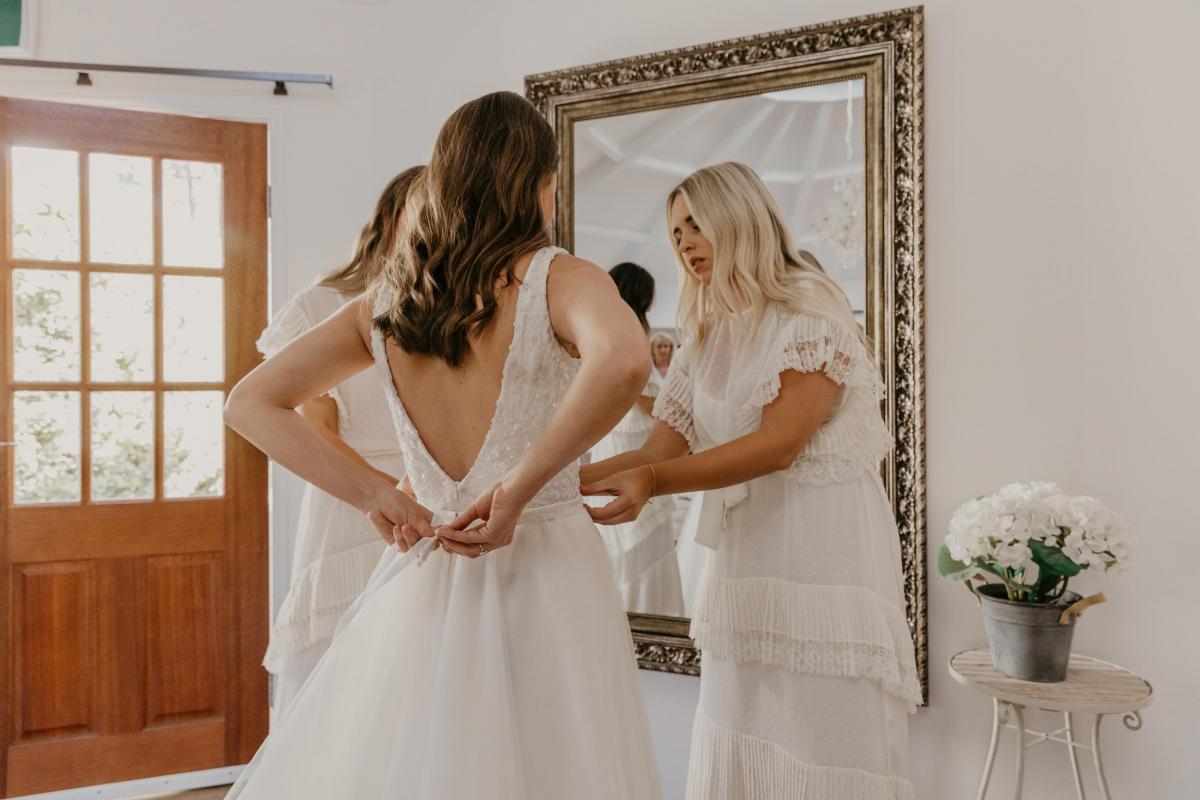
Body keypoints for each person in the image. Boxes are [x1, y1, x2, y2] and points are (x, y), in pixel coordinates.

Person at [223, 91, 661, 799]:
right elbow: (626, 362)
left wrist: (381, 495)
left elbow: (250, 403)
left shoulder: (388, 302)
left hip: (425, 571)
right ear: (542, 183)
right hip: (545, 568)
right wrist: (518, 490)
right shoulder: (559, 278)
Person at [582, 162, 919, 799]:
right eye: (674, 229)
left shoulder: (808, 303)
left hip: (821, 546)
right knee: (743, 716)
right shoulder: (706, 330)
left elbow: (779, 444)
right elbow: (663, 442)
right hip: (749, 547)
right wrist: (567, 478)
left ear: (739, 216)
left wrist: (651, 481)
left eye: (695, 223)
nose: (682, 240)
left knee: (822, 727)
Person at [255, 166, 422, 716]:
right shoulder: (322, 307)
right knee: (336, 682)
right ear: (392, 217)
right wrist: (385, 494)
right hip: (351, 501)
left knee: (409, 681)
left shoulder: (440, 311)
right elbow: (314, 428)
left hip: (427, 502)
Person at [590, 262, 685, 616]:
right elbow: (640, 399)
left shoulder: (606, 331)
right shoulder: (627, 334)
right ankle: (646, 614)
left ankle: (633, 611)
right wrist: (682, 404)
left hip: (619, 438)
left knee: (634, 534)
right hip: (633, 442)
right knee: (641, 531)